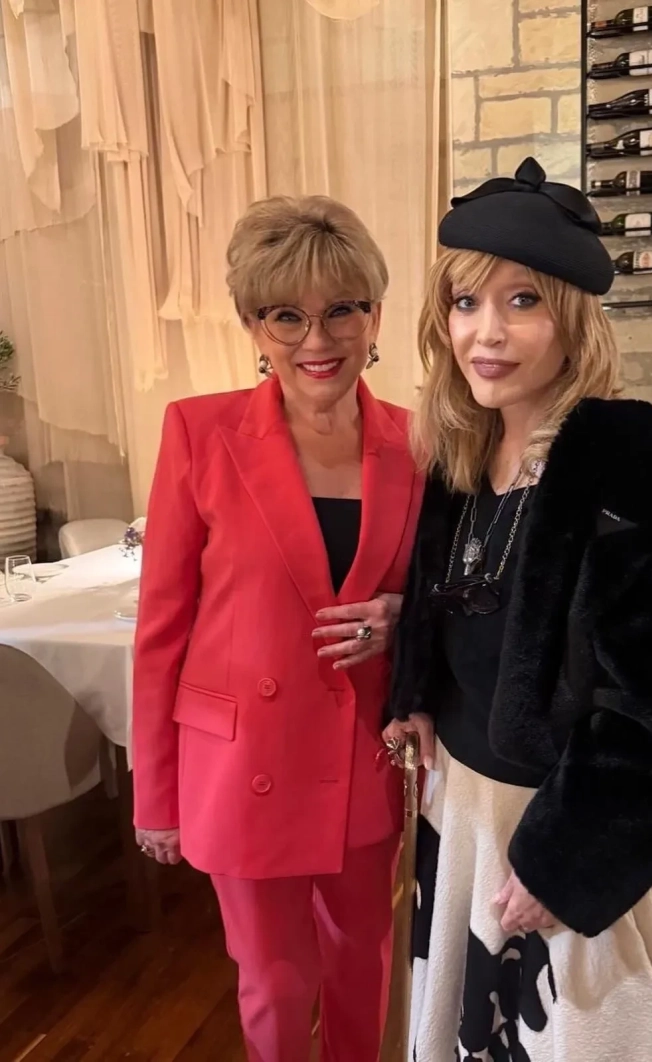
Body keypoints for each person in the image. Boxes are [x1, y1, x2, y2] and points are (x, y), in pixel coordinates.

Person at [383, 158, 652, 1061]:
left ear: (574, 319)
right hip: (463, 809)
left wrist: (567, 862)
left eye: (523, 302)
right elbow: (450, 605)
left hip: (569, 827)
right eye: (466, 303)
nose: (487, 333)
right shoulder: (458, 456)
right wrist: (417, 692)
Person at [132, 194, 423, 1062]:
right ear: (254, 326)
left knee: (363, 964)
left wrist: (404, 617)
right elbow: (162, 626)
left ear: (375, 316)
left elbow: (450, 596)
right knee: (275, 981)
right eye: (285, 316)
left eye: (341, 311)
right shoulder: (200, 431)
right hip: (241, 763)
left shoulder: (419, 444)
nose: (315, 340)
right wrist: (157, 796)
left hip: (360, 756)